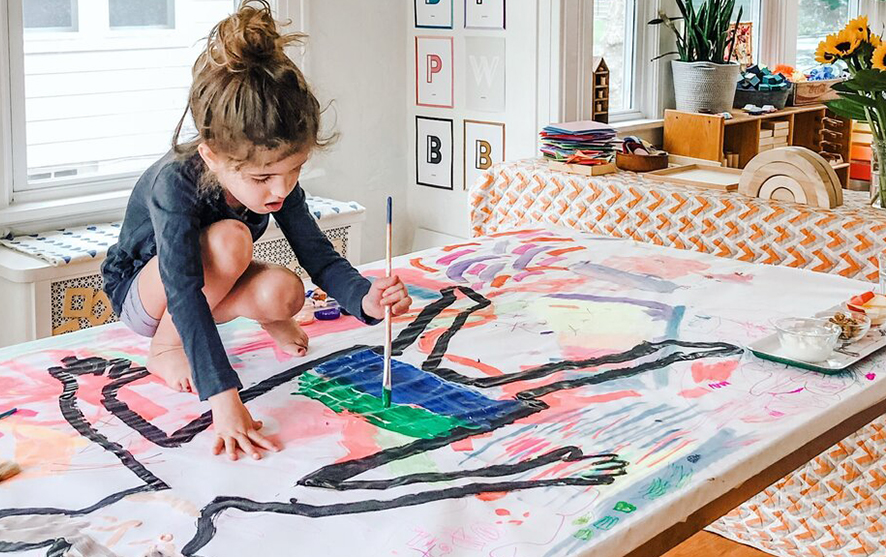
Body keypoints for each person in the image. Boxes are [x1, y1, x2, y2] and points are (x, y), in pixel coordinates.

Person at [101, 0, 412, 462]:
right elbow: (184, 288)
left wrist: (366, 298)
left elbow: (318, 255)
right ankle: (165, 348)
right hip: (146, 293)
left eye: (295, 169)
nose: (281, 189)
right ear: (212, 157)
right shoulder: (176, 182)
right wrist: (224, 399)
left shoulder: (278, 183)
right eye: (262, 178)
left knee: (288, 293)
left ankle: (264, 316)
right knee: (231, 240)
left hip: (211, 281)